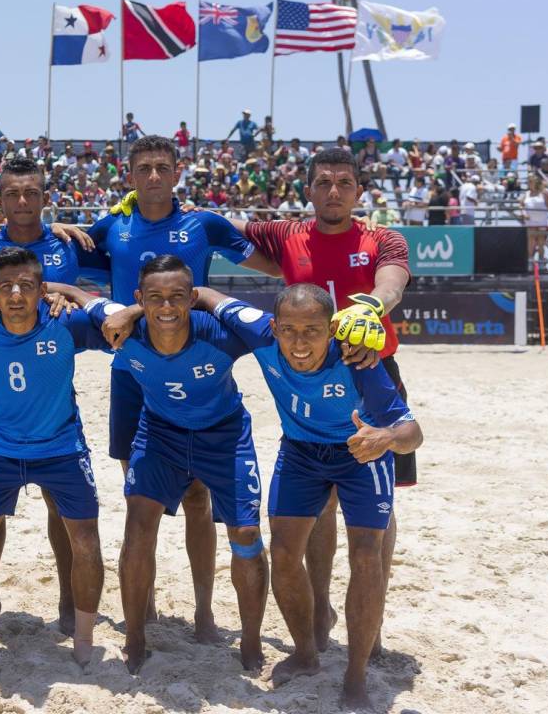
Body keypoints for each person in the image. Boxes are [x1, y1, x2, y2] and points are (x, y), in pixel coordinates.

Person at [89, 135, 281, 639]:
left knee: (199, 498)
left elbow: (280, 262)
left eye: (162, 167)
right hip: (133, 376)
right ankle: (143, 609)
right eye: (144, 168)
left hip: (197, 368)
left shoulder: (204, 224)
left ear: (178, 173)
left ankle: (203, 612)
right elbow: (56, 264)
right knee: (139, 499)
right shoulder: (111, 228)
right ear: (128, 176)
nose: (153, 176)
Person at [199, 284, 422, 710]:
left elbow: (413, 432)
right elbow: (210, 296)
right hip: (300, 450)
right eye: (290, 331)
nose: (300, 343)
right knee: (282, 553)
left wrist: (386, 437)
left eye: (313, 331)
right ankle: (305, 654)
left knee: (366, 555)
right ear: (274, 327)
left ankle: (355, 676)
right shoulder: (261, 332)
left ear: (332, 329)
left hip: (361, 450)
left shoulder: (356, 358)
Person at [228, 145, 413, 656]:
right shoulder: (286, 233)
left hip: (369, 370)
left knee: (379, 506)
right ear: (308, 189)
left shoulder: (382, 237)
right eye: (324, 182)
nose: (334, 191)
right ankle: (323, 607)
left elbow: (392, 281)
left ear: (358, 190)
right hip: (305, 368)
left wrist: (373, 306)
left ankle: (368, 622)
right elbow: (220, 227)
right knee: (318, 504)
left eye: (344, 183)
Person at [91, 256, 268, 674]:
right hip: (161, 431)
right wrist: (121, 310)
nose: (166, 307)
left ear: (191, 299)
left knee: (243, 531)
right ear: (139, 300)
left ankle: (243, 634)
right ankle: (135, 638)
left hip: (223, 433)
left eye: (176, 297)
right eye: (154, 298)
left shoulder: (222, 334)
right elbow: (79, 297)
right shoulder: (122, 330)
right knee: (138, 523)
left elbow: (279, 326)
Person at [0, 249, 118, 665]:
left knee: (84, 540)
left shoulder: (67, 324)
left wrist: (71, 292)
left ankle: (82, 639)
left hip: (60, 449)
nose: (15, 294)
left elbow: (122, 321)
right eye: (6, 286)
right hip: (0, 450)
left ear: (41, 291)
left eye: (26, 286)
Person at [522, 174, 548, 265]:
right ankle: (530, 260)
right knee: (531, 240)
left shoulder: (544, 192)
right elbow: (521, 205)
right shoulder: (527, 193)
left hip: (542, 219)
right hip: (530, 219)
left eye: (530, 182)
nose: (529, 184)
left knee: (541, 241)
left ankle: (541, 260)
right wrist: (524, 213)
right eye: (528, 182)